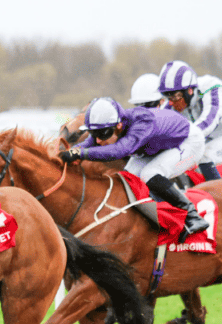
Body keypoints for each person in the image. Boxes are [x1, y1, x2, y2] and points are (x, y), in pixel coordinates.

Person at [57, 97, 209, 238]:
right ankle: (155, 218)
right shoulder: (111, 124)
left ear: (119, 126)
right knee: (128, 178)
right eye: (94, 133)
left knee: (150, 174)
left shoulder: (141, 124)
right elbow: (87, 145)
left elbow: (118, 151)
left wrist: (80, 153)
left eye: (102, 134)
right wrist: (70, 152)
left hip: (188, 141)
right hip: (159, 145)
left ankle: (192, 215)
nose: (98, 139)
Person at [158, 60, 222, 181]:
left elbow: (209, 121)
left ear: (189, 90)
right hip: (213, 137)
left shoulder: (211, 86)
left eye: (175, 96)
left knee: (205, 156)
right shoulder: (175, 101)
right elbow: (159, 124)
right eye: (168, 97)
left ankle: (219, 195)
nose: (171, 102)